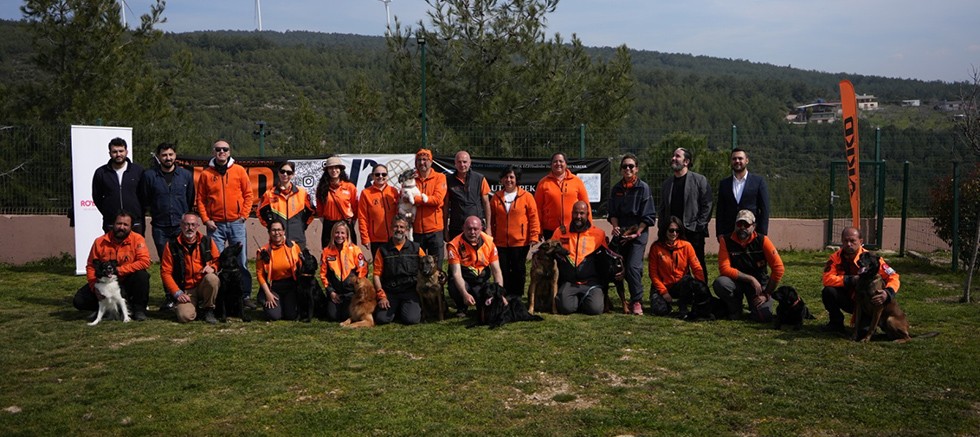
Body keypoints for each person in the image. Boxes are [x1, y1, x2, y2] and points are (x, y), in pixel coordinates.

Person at [196, 140, 255, 309]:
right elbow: (200, 199)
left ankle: (244, 296)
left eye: (225, 149)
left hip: (236, 223)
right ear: (213, 151)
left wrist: (243, 216)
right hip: (216, 226)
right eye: (218, 149)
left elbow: (248, 195)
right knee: (217, 262)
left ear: (229, 152)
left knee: (241, 261)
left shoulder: (239, 171)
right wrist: (206, 220)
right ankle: (219, 297)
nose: (222, 152)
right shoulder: (206, 174)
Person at [140, 142, 195, 311]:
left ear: (175, 155)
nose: (168, 158)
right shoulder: (150, 176)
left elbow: (190, 198)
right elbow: (144, 198)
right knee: (166, 263)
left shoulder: (185, 175)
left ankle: (184, 294)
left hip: (181, 227)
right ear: (159, 157)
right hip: (160, 226)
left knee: (183, 262)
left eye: (171, 154)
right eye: (164, 155)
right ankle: (170, 296)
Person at [72, 211, 151, 321]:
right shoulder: (99, 242)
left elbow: (145, 262)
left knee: (142, 276)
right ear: (113, 224)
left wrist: (119, 270)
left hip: (127, 280)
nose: (121, 227)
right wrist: (94, 287)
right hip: (105, 283)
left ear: (131, 227)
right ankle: (105, 309)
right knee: (79, 301)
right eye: (119, 223)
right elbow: (91, 266)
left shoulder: (138, 239)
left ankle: (138, 310)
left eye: (125, 225)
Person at [821, 226, 901, 334]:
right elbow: (827, 279)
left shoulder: (872, 259)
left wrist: (888, 293)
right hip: (848, 298)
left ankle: (870, 324)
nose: (849, 244)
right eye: (846, 241)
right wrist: (851, 280)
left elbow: (893, 276)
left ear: (861, 241)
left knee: (862, 333)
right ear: (842, 241)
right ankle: (836, 323)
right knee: (828, 291)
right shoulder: (835, 258)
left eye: (852, 241)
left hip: (867, 303)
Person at [712, 210, 783, 322]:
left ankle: (754, 305)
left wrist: (766, 294)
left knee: (763, 317)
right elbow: (724, 269)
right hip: (737, 282)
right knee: (721, 283)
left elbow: (778, 268)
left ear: (754, 226)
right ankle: (735, 308)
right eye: (739, 224)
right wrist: (750, 279)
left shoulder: (763, 240)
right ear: (735, 225)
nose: (742, 227)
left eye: (747, 224)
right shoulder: (725, 240)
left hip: (759, 285)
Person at [608, 153, 657, 315]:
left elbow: (648, 215)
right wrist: (615, 227)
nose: (627, 169)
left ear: (636, 169)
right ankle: (619, 300)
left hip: (638, 232)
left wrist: (637, 233)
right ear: (621, 169)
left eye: (631, 166)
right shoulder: (616, 189)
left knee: (633, 267)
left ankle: (637, 301)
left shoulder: (643, 188)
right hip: (621, 232)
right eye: (624, 166)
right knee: (616, 267)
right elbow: (612, 213)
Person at [659, 147, 712, 282]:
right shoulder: (667, 184)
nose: (673, 158)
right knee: (676, 264)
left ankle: (702, 293)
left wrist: (699, 225)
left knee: (697, 264)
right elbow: (663, 208)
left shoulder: (699, 180)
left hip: (693, 231)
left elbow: (707, 205)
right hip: (673, 232)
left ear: (686, 161)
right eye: (673, 156)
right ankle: (681, 293)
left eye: (677, 156)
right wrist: (663, 228)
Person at [488, 165, 540, 300]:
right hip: (500, 242)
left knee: (518, 270)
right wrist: (491, 238)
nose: (509, 180)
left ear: (517, 179)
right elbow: (492, 219)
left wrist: (534, 236)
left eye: (512, 177)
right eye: (506, 177)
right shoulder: (496, 198)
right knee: (503, 269)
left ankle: (516, 295)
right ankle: (504, 294)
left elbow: (533, 217)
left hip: (520, 242)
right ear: (502, 180)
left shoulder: (527, 196)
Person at [160, 213, 220, 324]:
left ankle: (208, 309)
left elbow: (218, 260)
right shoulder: (171, 245)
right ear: (181, 225)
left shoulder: (207, 241)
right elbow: (165, 272)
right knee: (184, 317)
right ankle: (194, 307)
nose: (190, 228)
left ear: (198, 226)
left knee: (212, 278)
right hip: (185, 290)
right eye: (186, 225)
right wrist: (177, 293)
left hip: (203, 284)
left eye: (193, 225)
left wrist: (213, 267)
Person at [551, 201, 607, 316]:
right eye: (576, 213)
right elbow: (550, 252)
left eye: (582, 213)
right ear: (571, 213)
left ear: (587, 214)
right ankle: (578, 301)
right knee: (565, 309)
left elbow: (606, 260)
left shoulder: (599, 234)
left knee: (595, 310)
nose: (578, 217)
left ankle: (587, 299)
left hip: (590, 282)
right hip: (569, 282)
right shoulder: (560, 232)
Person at [447, 216, 505, 318]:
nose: (472, 232)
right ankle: (461, 307)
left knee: (484, 306)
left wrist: (500, 294)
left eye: (475, 229)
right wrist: (465, 294)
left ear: (481, 229)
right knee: (453, 285)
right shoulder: (454, 245)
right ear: (463, 228)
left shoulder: (489, 242)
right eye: (469, 229)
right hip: (464, 279)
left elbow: (497, 272)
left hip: (481, 281)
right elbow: (456, 274)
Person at [373, 215, 426, 325]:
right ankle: (396, 308)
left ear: (407, 230)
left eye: (402, 227)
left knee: (411, 320)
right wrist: (381, 296)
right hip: (390, 291)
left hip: (410, 291)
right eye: (396, 226)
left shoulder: (416, 248)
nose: (399, 229)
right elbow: (376, 275)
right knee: (381, 319)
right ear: (392, 228)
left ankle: (405, 308)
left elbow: (426, 267)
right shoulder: (382, 250)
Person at [647, 216, 705, 316]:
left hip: (681, 285)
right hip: (663, 285)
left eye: (677, 231)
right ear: (665, 230)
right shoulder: (656, 248)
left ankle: (683, 304)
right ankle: (667, 306)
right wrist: (664, 292)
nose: (674, 234)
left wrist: (701, 288)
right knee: (660, 311)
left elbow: (697, 268)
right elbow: (653, 273)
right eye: (671, 230)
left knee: (687, 280)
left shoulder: (687, 246)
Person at [92, 137, 145, 234]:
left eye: (121, 151)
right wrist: (108, 212)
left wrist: (137, 212)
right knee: (111, 249)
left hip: (135, 223)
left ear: (126, 152)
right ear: (110, 153)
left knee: (136, 249)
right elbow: (97, 197)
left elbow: (144, 195)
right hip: (111, 222)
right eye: (115, 152)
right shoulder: (101, 173)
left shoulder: (138, 171)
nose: (118, 154)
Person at [259, 161, 315, 248]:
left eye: (289, 172)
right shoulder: (269, 194)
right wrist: (270, 227)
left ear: (293, 175)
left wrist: (302, 226)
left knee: (299, 261)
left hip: (297, 239)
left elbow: (311, 212)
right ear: (278, 173)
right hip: (277, 240)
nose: (285, 174)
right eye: (282, 171)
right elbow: (260, 212)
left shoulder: (302, 193)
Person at [716, 148, 770, 237]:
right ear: (731, 161)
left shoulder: (758, 182)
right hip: (729, 233)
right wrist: (719, 233)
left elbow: (764, 209)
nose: (737, 161)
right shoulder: (724, 184)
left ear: (747, 160)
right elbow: (720, 210)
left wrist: (762, 234)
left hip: (751, 233)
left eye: (740, 158)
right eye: (734, 159)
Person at [320, 221, 368, 322]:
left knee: (346, 316)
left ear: (347, 235)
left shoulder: (355, 250)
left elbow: (362, 271)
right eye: (337, 233)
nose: (339, 236)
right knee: (333, 317)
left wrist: (357, 291)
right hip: (335, 293)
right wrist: (331, 292)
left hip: (351, 293)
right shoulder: (326, 251)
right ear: (333, 234)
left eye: (342, 233)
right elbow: (323, 274)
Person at [535, 152, 590, 240]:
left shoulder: (577, 182)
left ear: (566, 164)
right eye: (555, 161)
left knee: (571, 253)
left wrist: (589, 226)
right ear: (551, 164)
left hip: (573, 227)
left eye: (561, 161)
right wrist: (538, 229)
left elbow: (586, 205)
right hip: (550, 230)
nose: (558, 164)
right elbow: (537, 209)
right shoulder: (543, 183)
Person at [256, 220, 303, 321]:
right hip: (274, 286)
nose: (276, 233)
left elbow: (301, 266)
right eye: (273, 230)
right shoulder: (263, 251)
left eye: (279, 230)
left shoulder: (293, 246)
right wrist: (268, 294)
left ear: (284, 231)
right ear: (269, 232)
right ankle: (265, 299)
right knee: (274, 316)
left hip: (291, 285)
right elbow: (260, 274)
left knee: (291, 316)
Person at [410, 149, 448, 264]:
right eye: (419, 160)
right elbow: (405, 197)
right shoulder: (411, 178)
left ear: (431, 162)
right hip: (416, 231)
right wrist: (425, 200)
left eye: (425, 160)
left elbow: (437, 199)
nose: (422, 163)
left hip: (435, 231)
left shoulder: (440, 177)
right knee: (417, 266)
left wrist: (416, 199)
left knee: (436, 267)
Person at [445, 150, 491, 241]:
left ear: (470, 163)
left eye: (465, 162)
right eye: (459, 162)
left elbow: (486, 204)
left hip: (476, 228)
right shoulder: (448, 180)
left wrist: (488, 227)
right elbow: (445, 206)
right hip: (456, 228)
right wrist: (445, 229)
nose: (462, 165)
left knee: (477, 254)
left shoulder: (480, 179)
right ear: (455, 164)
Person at [315, 156, 358, 248]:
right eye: (331, 168)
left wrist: (349, 223)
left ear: (340, 169)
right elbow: (320, 211)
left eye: (336, 167)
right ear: (327, 170)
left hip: (346, 224)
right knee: (329, 253)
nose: (334, 170)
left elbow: (355, 208)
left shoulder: (350, 187)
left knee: (349, 251)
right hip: (329, 225)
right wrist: (328, 223)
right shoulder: (322, 188)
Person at [357, 164, 399, 258]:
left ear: (387, 176)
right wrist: (365, 238)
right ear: (372, 176)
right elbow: (362, 217)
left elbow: (399, 212)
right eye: (377, 174)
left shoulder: (393, 191)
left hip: (394, 237)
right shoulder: (366, 193)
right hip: (376, 238)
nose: (381, 177)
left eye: (383, 174)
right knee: (379, 268)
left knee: (394, 267)